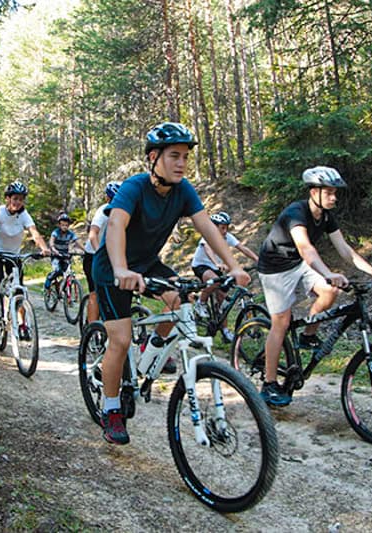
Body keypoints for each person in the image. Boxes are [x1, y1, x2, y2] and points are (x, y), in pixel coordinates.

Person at [91, 122, 250, 445]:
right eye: (174, 156)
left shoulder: (183, 190)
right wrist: (121, 268)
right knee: (120, 341)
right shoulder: (133, 187)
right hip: (112, 268)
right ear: (154, 157)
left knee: (181, 302)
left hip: (148, 264)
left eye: (185, 157)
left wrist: (234, 266)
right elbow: (117, 226)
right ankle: (111, 408)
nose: (181, 163)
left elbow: (206, 227)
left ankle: (152, 350)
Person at [256, 166, 372, 407]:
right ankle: (269, 384)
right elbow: (306, 249)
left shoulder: (326, 216)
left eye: (335, 193)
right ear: (314, 192)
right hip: (274, 268)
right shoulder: (296, 213)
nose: (334, 197)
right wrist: (328, 273)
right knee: (282, 323)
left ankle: (307, 336)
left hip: (296, 264)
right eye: (329, 192)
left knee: (330, 291)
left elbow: (345, 249)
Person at [0, 182, 51, 339]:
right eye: (15, 198)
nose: (18, 202)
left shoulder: (24, 215)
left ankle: (22, 324)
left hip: (14, 254)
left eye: (21, 199)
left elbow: (34, 232)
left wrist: (44, 248)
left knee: (18, 289)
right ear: (8, 198)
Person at [191, 211, 259, 341]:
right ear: (214, 226)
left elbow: (243, 248)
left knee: (222, 300)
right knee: (214, 281)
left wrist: (257, 259)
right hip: (202, 266)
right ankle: (201, 302)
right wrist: (216, 263)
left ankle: (225, 330)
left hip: (217, 268)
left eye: (227, 227)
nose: (225, 230)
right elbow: (208, 249)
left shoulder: (228, 237)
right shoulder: (208, 235)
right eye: (222, 227)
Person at [83, 181, 121, 323]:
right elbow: (93, 234)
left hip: (111, 256)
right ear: (108, 199)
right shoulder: (102, 211)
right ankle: (91, 332)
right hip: (93, 255)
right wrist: (100, 253)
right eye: (113, 200)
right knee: (95, 293)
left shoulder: (125, 212)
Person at [45, 212, 85, 290]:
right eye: (62, 225)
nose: (64, 227)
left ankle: (64, 288)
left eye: (66, 225)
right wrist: (53, 249)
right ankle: (49, 279)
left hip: (65, 255)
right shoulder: (56, 232)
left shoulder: (70, 234)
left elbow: (78, 242)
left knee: (67, 271)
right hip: (56, 255)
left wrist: (85, 250)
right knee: (57, 270)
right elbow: (51, 242)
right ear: (59, 225)